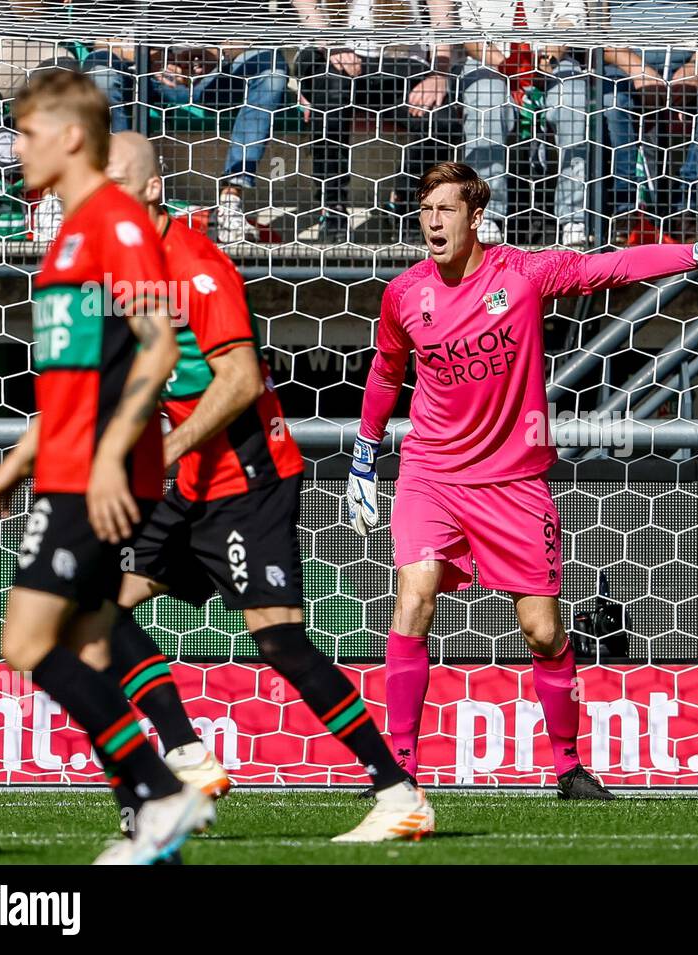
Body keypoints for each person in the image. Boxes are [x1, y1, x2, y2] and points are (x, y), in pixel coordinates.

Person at [344, 160, 698, 796]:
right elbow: (387, 373)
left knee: (543, 630)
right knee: (413, 601)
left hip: (512, 482)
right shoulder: (405, 294)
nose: (432, 223)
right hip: (432, 474)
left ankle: (567, 766)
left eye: (446, 210)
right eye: (425, 211)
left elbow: (609, 267)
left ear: (476, 218)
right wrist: (364, 460)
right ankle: (399, 772)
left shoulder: (522, 275)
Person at [91, 130, 435, 844]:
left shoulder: (196, 263)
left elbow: (242, 380)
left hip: (247, 474)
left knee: (279, 642)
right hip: (188, 477)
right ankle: (187, 755)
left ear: (152, 189)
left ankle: (398, 791)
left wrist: (164, 446)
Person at [0, 70, 210, 865]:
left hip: (95, 474)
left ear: (71, 136)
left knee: (27, 642)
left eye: (28, 130)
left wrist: (108, 458)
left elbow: (159, 345)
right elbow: (75, 377)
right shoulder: (70, 230)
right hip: (67, 462)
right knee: (95, 646)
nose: (16, 146)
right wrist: (15, 465)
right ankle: (154, 824)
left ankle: (162, 791)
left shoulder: (115, 221)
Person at [83, 41, 289, 244]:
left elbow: (247, 33)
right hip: (138, 75)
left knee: (271, 69)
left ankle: (230, 201)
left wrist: (214, 53)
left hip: (213, 78)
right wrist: (148, 59)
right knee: (100, 70)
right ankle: (118, 199)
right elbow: (102, 42)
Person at [294, 0, 459, 244]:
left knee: (440, 120)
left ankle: (406, 204)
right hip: (330, 54)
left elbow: (441, 7)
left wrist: (439, 72)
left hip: (400, 62)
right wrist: (333, 44)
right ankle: (332, 208)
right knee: (330, 102)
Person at [601, 0, 698, 244]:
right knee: (612, 103)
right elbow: (598, 31)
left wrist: (697, 67)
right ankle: (627, 208)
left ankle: (689, 206)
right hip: (623, 65)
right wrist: (637, 70)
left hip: (694, 62)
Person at [455, 0, 590, 246]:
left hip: (551, 55)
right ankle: (485, 214)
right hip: (487, 55)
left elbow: (570, 15)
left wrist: (548, 59)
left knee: (573, 101)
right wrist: (506, 64)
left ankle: (574, 217)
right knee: (486, 99)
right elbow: (468, 27)